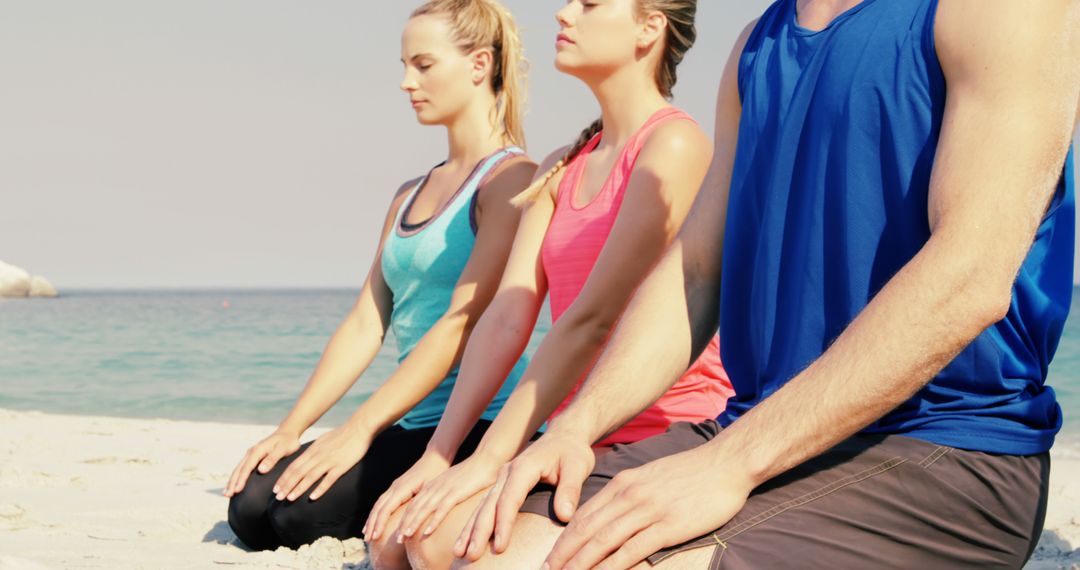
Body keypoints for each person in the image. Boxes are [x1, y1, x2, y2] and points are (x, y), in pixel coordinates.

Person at [453, 0, 1080, 568]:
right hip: (752, 425)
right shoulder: (757, 44)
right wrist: (574, 427)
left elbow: (968, 278)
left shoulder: (1005, 11)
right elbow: (695, 273)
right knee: (467, 547)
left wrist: (729, 465)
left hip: (940, 447)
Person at [361, 0, 733, 568]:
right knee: (400, 539)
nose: (563, 15)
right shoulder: (560, 166)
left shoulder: (674, 146)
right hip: (573, 433)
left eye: (588, 5)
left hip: (668, 428)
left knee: (448, 550)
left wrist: (488, 462)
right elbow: (507, 319)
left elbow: (593, 319)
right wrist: (440, 456)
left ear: (648, 27)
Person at [221, 0, 539, 552]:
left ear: (479, 65)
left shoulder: (512, 182)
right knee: (249, 506)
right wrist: (292, 429)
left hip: (475, 426)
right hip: (411, 420)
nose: (405, 82)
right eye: (404, 65)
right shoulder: (407, 194)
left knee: (294, 519)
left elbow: (458, 329)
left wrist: (358, 429)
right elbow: (366, 323)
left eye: (423, 64)